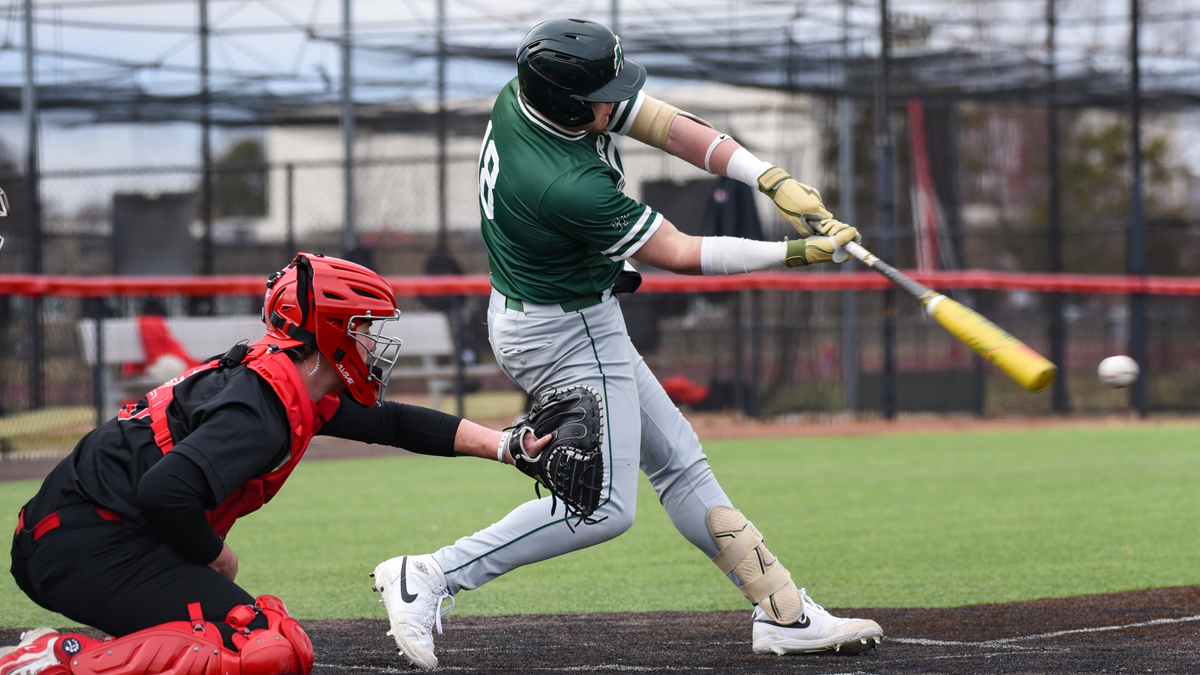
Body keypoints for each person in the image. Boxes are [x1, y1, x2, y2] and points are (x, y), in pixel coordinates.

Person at [371, 18, 883, 670]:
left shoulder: (525, 94)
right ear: (567, 101)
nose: (617, 104)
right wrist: (796, 252)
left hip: (557, 308)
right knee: (601, 509)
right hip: (563, 328)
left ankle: (783, 610)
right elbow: (678, 252)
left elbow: (666, 125)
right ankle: (429, 573)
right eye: (602, 96)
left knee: (679, 460)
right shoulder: (565, 183)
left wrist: (768, 176)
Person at [3, 253, 548, 675]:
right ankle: (59, 659)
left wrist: (509, 446)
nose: (373, 341)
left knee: (269, 643)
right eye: (362, 326)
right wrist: (214, 555)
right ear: (331, 329)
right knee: (263, 647)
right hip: (78, 545)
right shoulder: (264, 407)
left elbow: (394, 423)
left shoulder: (284, 380)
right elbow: (164, 491)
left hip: (81, 535)